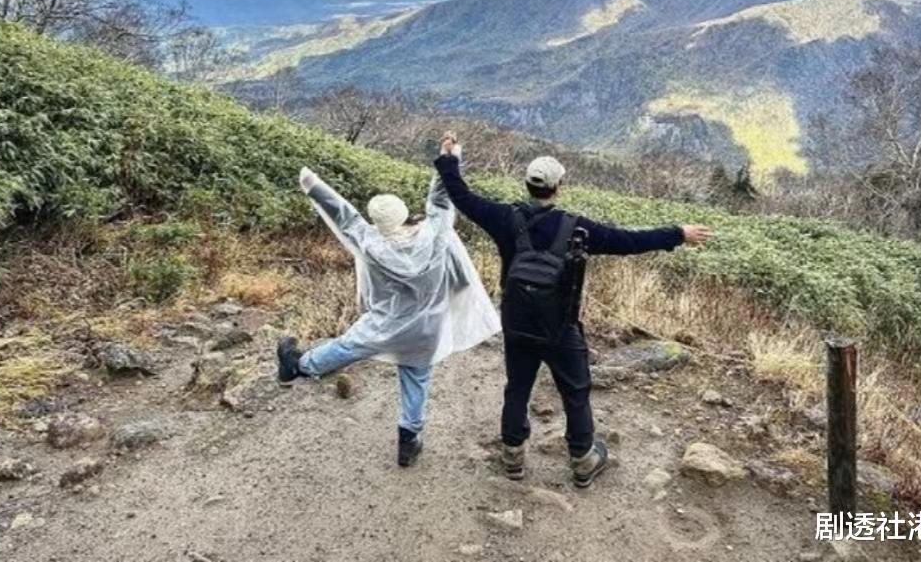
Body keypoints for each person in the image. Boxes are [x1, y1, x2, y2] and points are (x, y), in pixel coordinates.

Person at [433, 132, 712, 487]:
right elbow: (630, 241)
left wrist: (448, 157)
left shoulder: (504, 218)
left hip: (517, 322)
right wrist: (678, 233)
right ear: (558, 187)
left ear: (528, 184)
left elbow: (463, 197)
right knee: (575, 391)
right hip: (559, 326)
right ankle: (582, 459)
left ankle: (512, 457)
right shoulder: (579, 228)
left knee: (517, 387)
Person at [276, 165, 499, 467]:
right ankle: (409, 440)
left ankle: (300, 366)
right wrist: (449, 158)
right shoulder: (434, 236)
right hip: (427, 328)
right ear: (405, 212)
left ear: (377, 222)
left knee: (347, 346)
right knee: (416, 378)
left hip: (385, 325)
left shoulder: (370, 243)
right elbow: (440, 203)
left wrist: (312, 185)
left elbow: (344, 215)